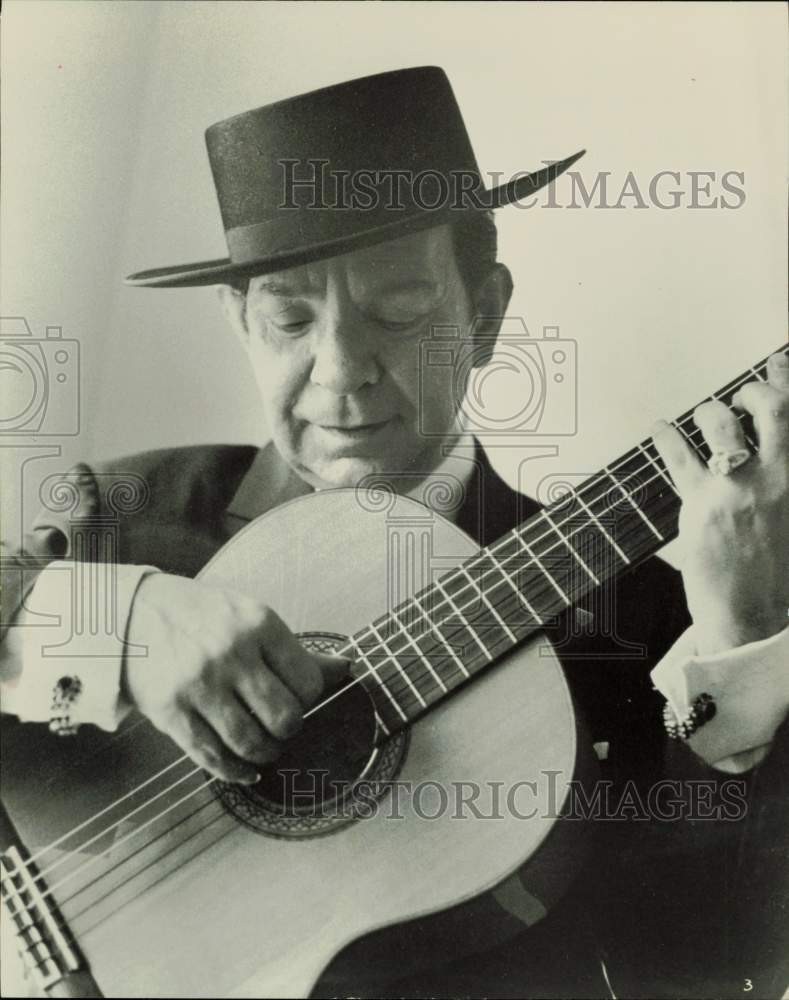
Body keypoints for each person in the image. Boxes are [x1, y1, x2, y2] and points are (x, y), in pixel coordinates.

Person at [1, 67, 787, 998]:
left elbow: (712, 964)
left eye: (399, 312)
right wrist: (116, 624)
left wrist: (742, 642)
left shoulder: (654, 613)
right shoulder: (131, 518)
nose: (340, 370)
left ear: (484, 316)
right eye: (289, 318)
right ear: (238, 321)